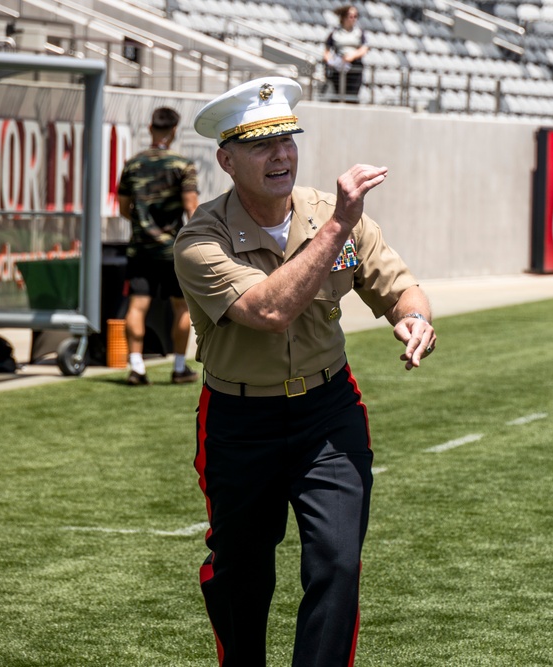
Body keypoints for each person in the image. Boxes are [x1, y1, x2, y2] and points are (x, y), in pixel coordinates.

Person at [174, 76, 436, 666]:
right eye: (261, 143)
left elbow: (400, 286)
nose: (281, 154)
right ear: (226, 159)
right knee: (242, 576)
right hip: (240, 422)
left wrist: (413, 318)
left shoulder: (331, 214)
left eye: (288, 138)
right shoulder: (200, 240)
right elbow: (270, 310)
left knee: (338, 563)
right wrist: (339, 225)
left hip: (328, 413)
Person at [117, 106, 199, 386]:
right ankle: (178, 367)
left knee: (137, 306)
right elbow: (191, 208)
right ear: (174, 131)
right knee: (182, 308)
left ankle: (137, 368)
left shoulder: (132, 164)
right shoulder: (182, 165)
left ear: (151, 128)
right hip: (173, 250)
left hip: (140, 249)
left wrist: (144, 226)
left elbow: (124, 208)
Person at [324, 5, 368, 103]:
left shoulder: (359, 33)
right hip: (338, 67)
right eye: (350, 16)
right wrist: (330, 60)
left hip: (354, 68)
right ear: (344, 17)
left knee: (351, 96)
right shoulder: (335, 33)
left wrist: (353, 55)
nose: (353, 19)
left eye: (355, 16)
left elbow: (364, 48)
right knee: (336, 95)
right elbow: (327, 50)